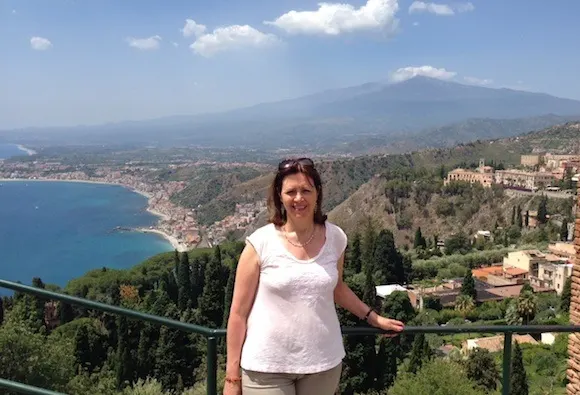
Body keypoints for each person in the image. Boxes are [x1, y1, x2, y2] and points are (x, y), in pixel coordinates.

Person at [224, 157, 405, 395]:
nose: (299, 198)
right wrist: (232, 377)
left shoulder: (336, 238)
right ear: (280, 195)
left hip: (323, 364)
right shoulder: (260, 243)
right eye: (291, 191)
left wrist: (373, 318)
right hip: (266, 366)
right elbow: (238, 314)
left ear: (317, 194)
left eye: (306, 190)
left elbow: (337, 288)